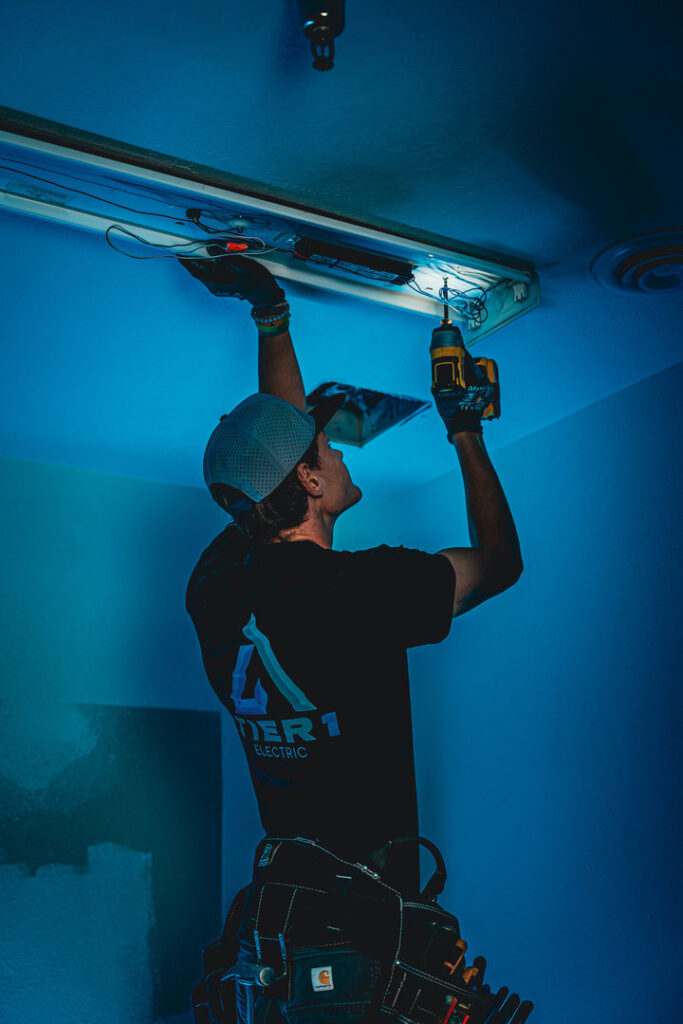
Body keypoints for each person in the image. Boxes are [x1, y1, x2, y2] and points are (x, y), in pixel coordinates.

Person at [182, 251, 523, 1024]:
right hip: (365, 924)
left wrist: (270, 315)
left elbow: (274, 444)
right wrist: (463, 427)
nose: (335, 448)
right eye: (326, 450)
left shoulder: (216, 585)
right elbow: (499, 564)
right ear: (306, 482)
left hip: (292, 906)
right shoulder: (359, 592)